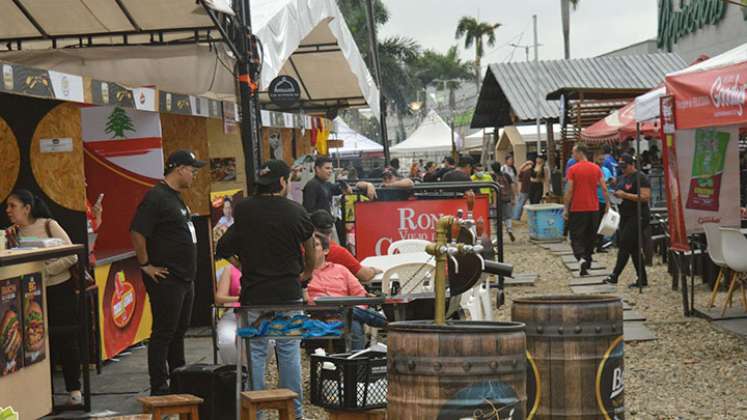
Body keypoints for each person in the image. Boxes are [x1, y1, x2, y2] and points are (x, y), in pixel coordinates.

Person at [216, 159, 316, 418]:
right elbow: (311, 245)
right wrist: (306, 272)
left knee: (257, 354)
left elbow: (223, 248)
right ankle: (294, 414)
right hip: (287, 293)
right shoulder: (295, 211)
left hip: (255, 293)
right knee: (289, 351)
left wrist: (242, 265)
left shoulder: (245, 210)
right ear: (282, 182)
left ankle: (257, 414)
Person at [130, 150, 205, 395]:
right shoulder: (155, 197)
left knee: (179, 331)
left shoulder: (176, 197)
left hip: (185, 277)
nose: (193, 175)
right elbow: (137, 231)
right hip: (167, 277)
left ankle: (178, 376)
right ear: (179, 169)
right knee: (164, 331)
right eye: (192, 170)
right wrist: (145, 265)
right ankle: (159, 385)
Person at [5, 190, 81, 405]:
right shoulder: (13, 233)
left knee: (66, 339)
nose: (8, 211)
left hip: (58, 289)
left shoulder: (49, 225)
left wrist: (45, 273)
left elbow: (72, 255)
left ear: (27, 208)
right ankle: (42, 395)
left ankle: (74, 390)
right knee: (35, 342)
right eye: (8, 207)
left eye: (13, 206)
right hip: (31, 296)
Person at [306, 234, 387, 350]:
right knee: (349, 314)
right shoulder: (303, 274)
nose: (311, 248)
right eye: (309, 246)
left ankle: (354, 363)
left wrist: (351, 311)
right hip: (319, 313)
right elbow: (305, 300)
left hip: (345, 314)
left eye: (316, 245)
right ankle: (388, 323)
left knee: (352, 320)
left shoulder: (341, 270)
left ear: (326, 250)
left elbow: (360, 294)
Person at [605, 154, 651, 288]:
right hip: (625, 215)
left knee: (625, 244)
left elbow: (645, 197)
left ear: (632, 164)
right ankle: (642, 278)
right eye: (621, 167)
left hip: (638, 215)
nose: (623, 169)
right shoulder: (622, 177)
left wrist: (625, 195)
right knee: (634, 248)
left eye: (625, 166)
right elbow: (619, 187)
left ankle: (614, 275)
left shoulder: (640, 177)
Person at [303, 156, 375, 242]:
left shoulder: (326, 184)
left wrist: (368, 185)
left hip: (329, 226)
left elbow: (348, 188)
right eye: (327, 168)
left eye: (331, 168)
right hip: (319, 230)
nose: (330, 171)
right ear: (317, 169)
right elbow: (308, 211)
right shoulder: (312, 185)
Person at [564, 144, 609, 276]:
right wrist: (607, 204)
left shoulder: (573, 169)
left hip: (578, 207)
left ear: (579, 152)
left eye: (573, 153)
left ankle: (581, 257)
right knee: (591, 236)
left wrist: (566, 208)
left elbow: (570, 190)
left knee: (576, 236)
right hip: (593, 207)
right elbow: (604, 187)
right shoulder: (596, 168)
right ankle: (587, 262)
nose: (572, 155)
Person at [309, 210, 381, 283]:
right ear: (331, 231)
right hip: (334, 292)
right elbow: (365, 275)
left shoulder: (300, 247)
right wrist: (373, 270)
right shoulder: (337, 251)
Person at [488, 162, 516, 242]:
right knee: (508, 216)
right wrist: (513, 198)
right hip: (506, 198)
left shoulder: (491, 176)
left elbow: (493, 190)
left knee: (496, 219)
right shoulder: (506, 175)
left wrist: (493, 203)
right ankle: (509, 229)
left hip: (496, 200)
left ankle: (498, 236)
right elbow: (512, 186)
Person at [595, 152, 614, 253]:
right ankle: (593, 243)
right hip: (595, 199)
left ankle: (600, 244)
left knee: (603, 223)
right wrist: (602, 183)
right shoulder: (593, 170)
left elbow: (610, 181)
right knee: (595, 223)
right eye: (600, 159)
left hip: (604, 198)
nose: (601, 162)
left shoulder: (606, 170)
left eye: (603, 160)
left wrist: (611, 181)